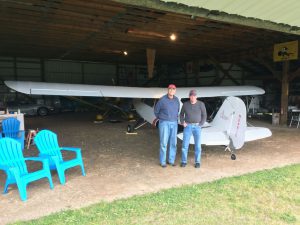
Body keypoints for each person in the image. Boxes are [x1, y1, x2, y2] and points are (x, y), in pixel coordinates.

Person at [154, 84, 180, 168]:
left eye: (173, 89)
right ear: (167, 90)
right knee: (163, 143)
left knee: (173, 143)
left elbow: (178, 110)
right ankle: (163, 162)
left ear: (175, 90)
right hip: (164, 123)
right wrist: (162, 118)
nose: (171, 90)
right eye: (170, 89)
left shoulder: (176, 100)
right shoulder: (162, 100)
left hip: (174, 123)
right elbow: (156, 111)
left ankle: (171, 161)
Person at [180, 89, 207, 168]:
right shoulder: (185, 104)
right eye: (191, 95)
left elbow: (204, 115)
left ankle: (197, 162)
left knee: (198, 145)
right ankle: (184, 161)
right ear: (189, 96)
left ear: (196, 96)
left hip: (197, 126)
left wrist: (201, 124)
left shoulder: (201, 104)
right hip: (187, 126)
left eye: (194, 96)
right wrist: (182, 122)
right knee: (185, 145)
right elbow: (181, 115)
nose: (193, 97)